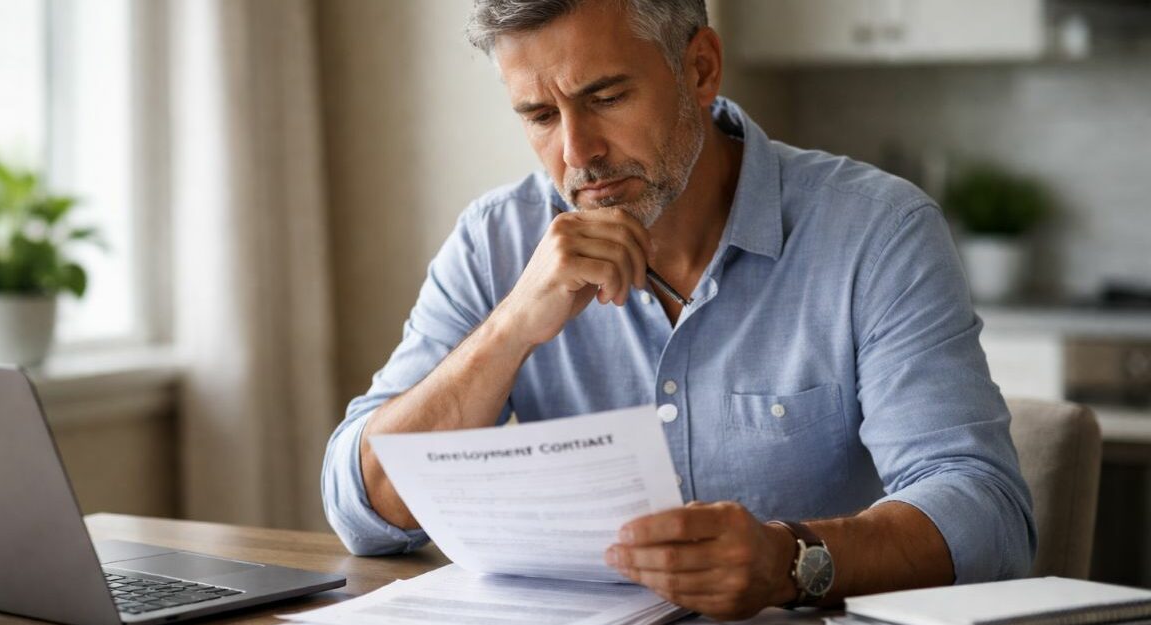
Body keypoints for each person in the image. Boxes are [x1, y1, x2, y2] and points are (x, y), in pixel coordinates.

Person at [321, 0, 1036, 619]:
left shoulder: (876, 231)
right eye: (540, 114)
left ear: (699, 69)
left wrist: (788, 561)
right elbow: (362, 510)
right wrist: (509, 330)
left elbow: (989, 516)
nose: (578, 154)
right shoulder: (495, 241)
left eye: (604, 97)